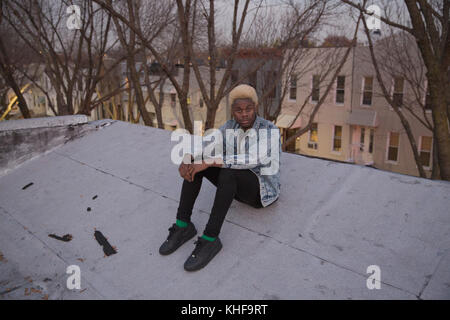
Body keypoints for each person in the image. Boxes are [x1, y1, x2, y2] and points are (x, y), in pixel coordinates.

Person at [159, 84, 281, 271]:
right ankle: (183, 225)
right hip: (235, 186)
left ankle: (210, 238)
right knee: (199, 163)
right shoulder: (229, 126)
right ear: (232, 111)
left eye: (249, 109)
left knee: (225, 170)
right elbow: (208, 145)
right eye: (239, 110)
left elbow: (251, 159)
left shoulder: (269, 129)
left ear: (255, 107)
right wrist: (189, 160)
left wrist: (210, 162)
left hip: (260, 191)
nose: (245, 114)